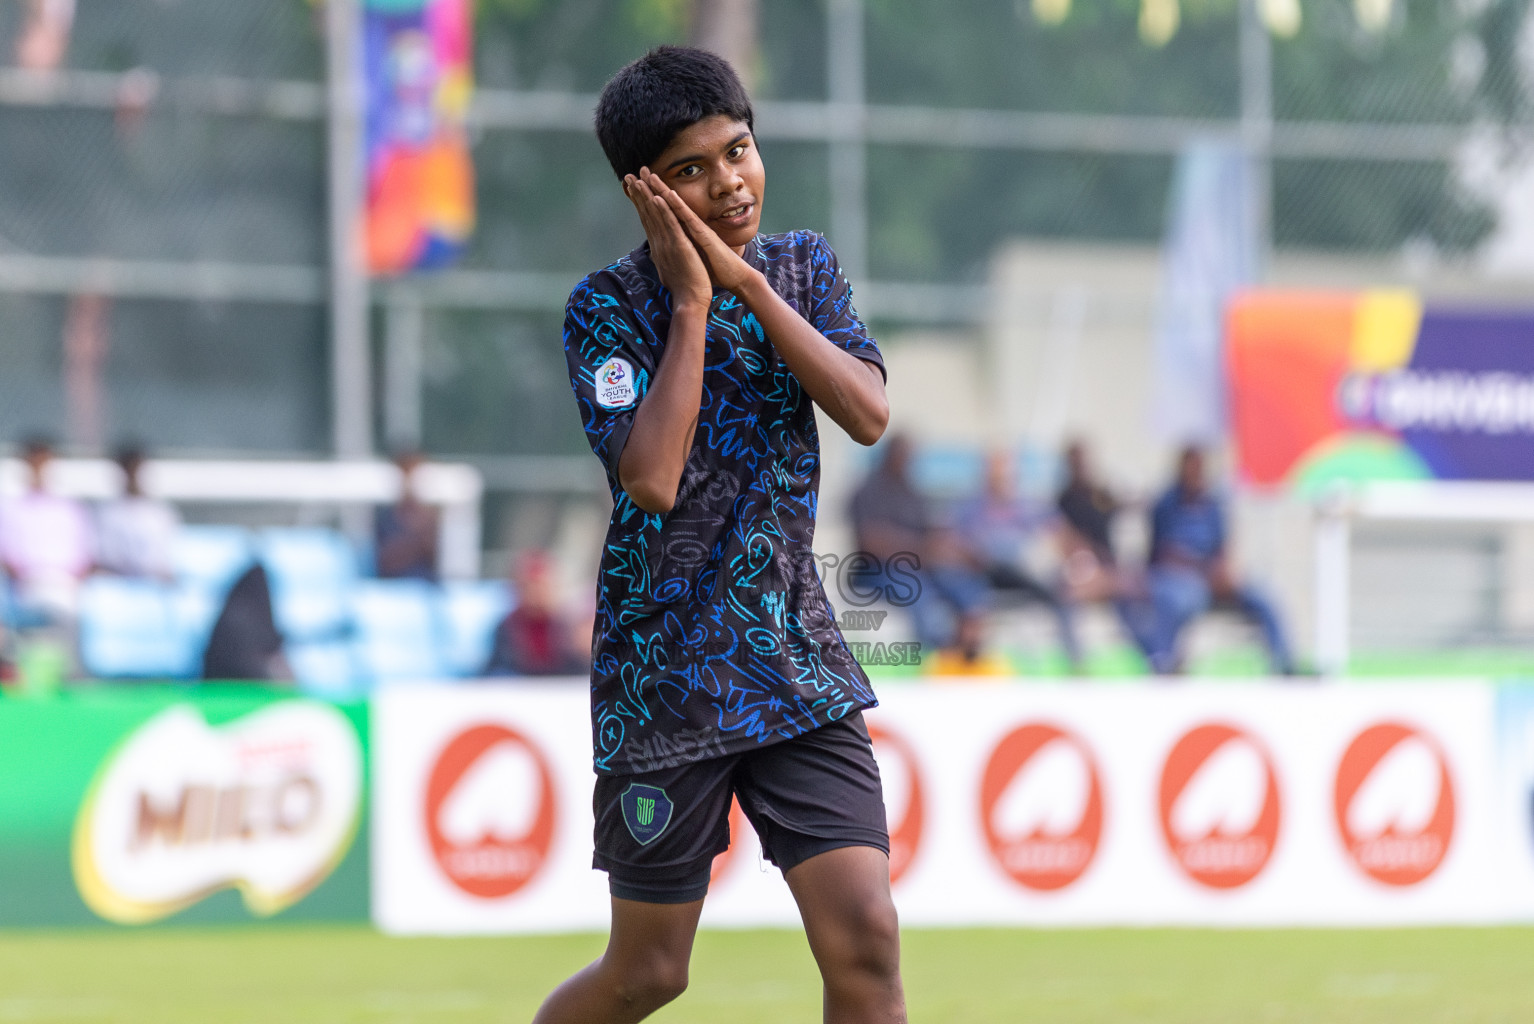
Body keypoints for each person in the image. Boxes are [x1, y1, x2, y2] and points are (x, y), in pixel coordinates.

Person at [544, 47, 905, 1024]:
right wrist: (696, 305)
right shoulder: (604, 311)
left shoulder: (802, 267)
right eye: (692, 168)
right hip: (662, 679)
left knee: (866, 938)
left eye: (736, 150)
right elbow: (651, 480)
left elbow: (866, 412)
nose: (727, 181)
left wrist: (745, 284)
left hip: (794, 663)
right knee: (649, 974)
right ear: (644, 189)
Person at [1136, 446, 1295, 675]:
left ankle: (1284, 663)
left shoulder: (1213, 504)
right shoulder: (1165, 504)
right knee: (1177, 601)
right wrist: (1201, 570)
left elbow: (1223, 545)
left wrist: (1223, 571)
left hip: (1213, 578)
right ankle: (1165, 664)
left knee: (1264, 597)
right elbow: (1162, 552)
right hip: (1182, 578)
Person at [848, 433, 989, 659]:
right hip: (877, 570)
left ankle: (968, 648)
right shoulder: (868, 491)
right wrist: (918, 549)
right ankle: (933, 655)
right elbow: (870, 540)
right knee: (918, 594)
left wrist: (963, 554)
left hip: (919, 566)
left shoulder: (911, 491)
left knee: (962, 585)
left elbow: (933, 534)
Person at [953, 448, 1081, 669]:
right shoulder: (971, 509)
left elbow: (1059, 533)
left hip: (1026, 573)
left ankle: (1076, 659)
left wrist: (1078, 560)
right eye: (994, 472)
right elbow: (956, 542)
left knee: (1057, 582)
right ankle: (965, 660)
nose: (999, 478)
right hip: (985, 572)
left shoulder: (1027, 506)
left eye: (1004, 473)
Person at [0, 436, 93, 625]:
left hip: (67, 587)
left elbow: (86, 556)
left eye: (44, 462)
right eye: (35, 463)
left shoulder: (70, 508)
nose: (40, 469)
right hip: (25, 587)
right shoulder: (9, 508)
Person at [483, 550, 584, 677]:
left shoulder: (566, 628)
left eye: (541, 586)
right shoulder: (506, 628)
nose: (536, 593)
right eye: (529, 586)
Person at [94, 443, 180, 581]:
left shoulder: (160, 513)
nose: (134, 476)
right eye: (130, 470)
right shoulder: (107, 513)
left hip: (153, 584)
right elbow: (107, 558)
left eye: (138, 469)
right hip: (117, 583)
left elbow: (164, 560)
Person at [373, 448, 439, 581]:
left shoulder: (430, 518)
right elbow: (384, 562)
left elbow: (437, 557)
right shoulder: (385, 518)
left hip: (425, 589)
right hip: (393, 589)